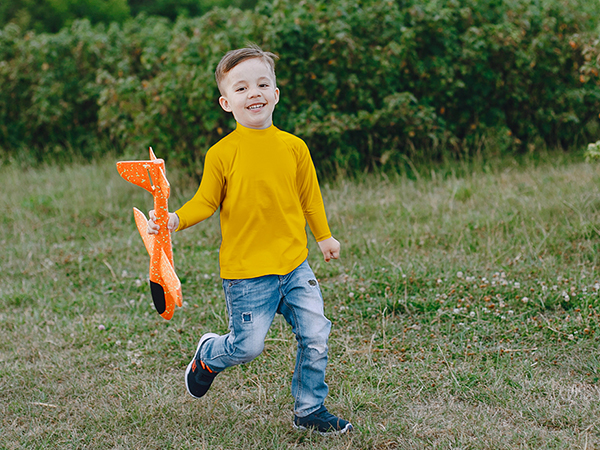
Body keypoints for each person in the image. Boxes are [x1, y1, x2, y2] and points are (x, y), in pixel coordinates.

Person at [148, 45, 352, 435]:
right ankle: (209, 355)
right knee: (247, 347)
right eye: (241, 89)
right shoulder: (222, 153)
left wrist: (324, 237)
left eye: (262, 84)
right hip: (247, 274)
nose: (253, 93)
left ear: (275, 93)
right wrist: (174, 219)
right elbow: (205, 202)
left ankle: (309, 410)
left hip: (294, 265)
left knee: (316, 333)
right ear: (226, 103)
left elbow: (310, 196)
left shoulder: (294, 147)